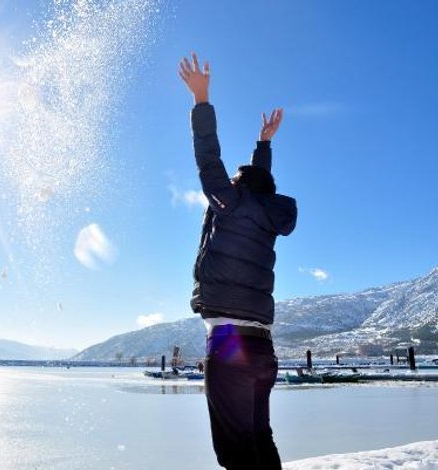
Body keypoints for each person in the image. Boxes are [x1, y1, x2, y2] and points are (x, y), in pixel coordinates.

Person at [178, 52, 298, 470]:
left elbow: (209, 161)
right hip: (262, 347)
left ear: (238, 188)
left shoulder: (229, 203)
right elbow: (259, 190)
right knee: (259, 441)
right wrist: (263, 145)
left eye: (233, 183)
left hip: (229, 343)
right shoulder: (266, 219)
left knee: (235, 452)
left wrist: (201, 99)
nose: (227, 184)